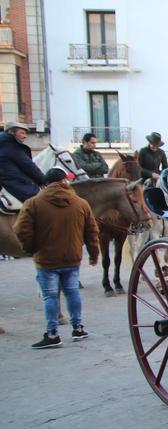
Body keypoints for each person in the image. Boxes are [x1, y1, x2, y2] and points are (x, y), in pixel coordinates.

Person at [13, 168, 99, 349]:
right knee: (72, 292)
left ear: (46, 184)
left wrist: (30, 249)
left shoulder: (33, 203)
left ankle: (52, 334)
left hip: (46, 259)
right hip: (72, 257)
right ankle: (78, 328)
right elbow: (92, 232)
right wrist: (93, 254)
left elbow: (21, 230)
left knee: (50, 296)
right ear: (64, 182)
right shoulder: (81, 203)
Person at [0, 121, 45, 202]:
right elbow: (29, 166)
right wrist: (45, 180)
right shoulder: (12, 146)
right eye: (22, 133)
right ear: (11, 132)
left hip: (5, 182)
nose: (25, 136)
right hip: (14, 183)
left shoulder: (3, 144)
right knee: (43, 201)